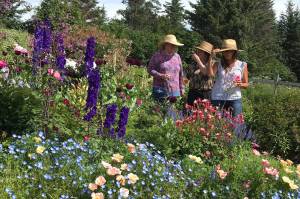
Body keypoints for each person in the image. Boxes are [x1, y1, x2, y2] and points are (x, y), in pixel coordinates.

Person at [207, 39, 249, 117]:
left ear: (234, 52)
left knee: (236, 125)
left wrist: (240, 84)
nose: (227, 53)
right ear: (222, 52)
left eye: (230, 51)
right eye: (225, 51)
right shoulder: (218, 64)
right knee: (215, 125)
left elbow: (246, 84)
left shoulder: (242, 65)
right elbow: (210, 75)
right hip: (217, 97)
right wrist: (210, 58)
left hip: (234, 98)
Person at [147, 34, 185, 103]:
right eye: (171, 44)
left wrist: (182, 88)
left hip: (175, 91)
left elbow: (181, 73)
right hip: (160, 89)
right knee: (158, 112)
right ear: (165, 44)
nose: (174, 47)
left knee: (172, 113)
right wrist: (161, 75)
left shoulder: (177, 57)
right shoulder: (157, 55)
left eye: (175, 45)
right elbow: (150, 69)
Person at [185, 41, 214, 105]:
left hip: (205, 93)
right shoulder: (193, 63)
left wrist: (198, 60)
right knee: (189, 113)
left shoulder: (211, 63)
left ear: (206, 54)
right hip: (192, 92)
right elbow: (187, 77)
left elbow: (205, 72)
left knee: (204, 114)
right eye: (197, 50)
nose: (197, 53)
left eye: (200, 51)